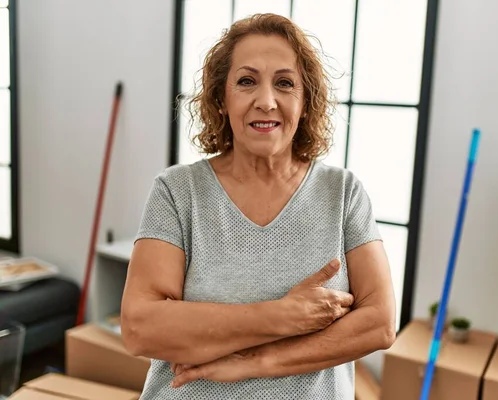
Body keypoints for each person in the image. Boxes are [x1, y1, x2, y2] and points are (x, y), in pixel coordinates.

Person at [120, 13, 396, 400]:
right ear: (221, 99)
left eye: (285, 83)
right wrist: (282, 316)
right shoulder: (178, 191)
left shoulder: (344, 193)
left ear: (305, 102)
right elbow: (139, 328)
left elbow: (379, 324)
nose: (266, 102)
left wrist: (255, 362)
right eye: (247, 81)